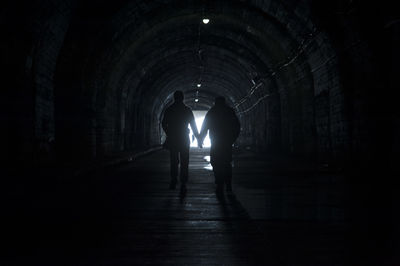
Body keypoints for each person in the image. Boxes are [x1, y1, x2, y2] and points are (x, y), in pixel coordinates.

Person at [199, 96, 240, 196]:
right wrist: (233, 139)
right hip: (226, 142)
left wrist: (201, 139)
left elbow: (205, 126)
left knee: (216, 162)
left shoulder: (212, 112)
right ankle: (228, 184)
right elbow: (237, 126)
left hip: (216, 141)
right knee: (226, 163)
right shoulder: (229, 111)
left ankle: (219, 183)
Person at [162, 90, 200, 194]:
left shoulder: (169, 109)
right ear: (183, 98)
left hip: (173, 138)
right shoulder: (187, 110)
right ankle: (183, 182)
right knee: (184, 160)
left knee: (174, 160)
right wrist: (198, 138)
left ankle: (173, 179)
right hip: (184, 138)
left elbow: (164, 123)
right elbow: (193, 125)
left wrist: (169, 132)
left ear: (174, 97)